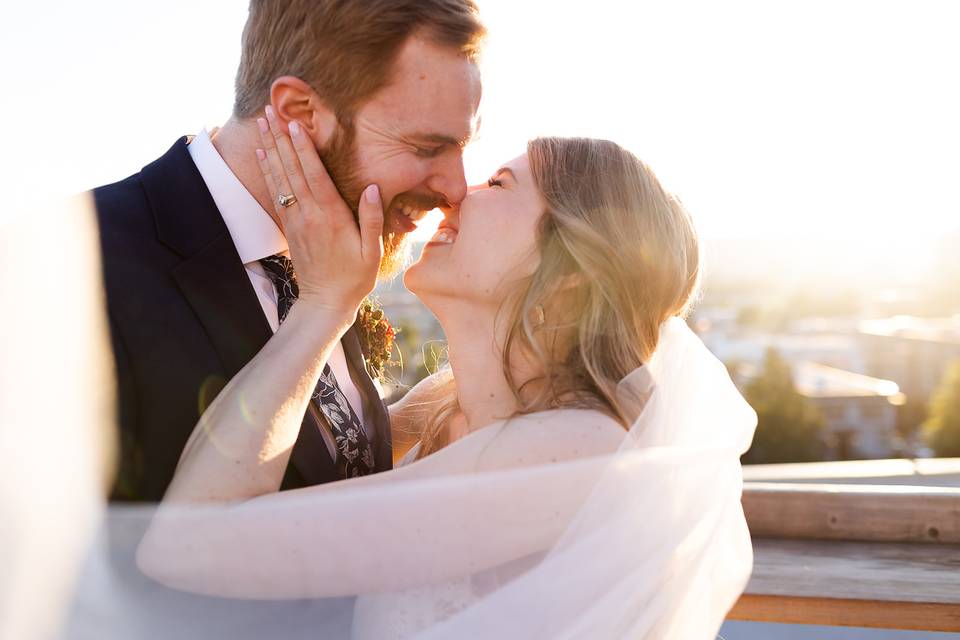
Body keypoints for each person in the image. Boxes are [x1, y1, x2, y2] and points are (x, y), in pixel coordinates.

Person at [133, 117, 758, 638]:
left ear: (566, 273)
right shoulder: (445, 409)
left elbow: (190, 546)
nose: (457, 195)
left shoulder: (573, 453)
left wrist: (324, 305)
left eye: (499, 182)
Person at [93, 0, 485, 501]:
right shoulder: (79, 267)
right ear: (299, 112)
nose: (457, 189)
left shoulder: (332, 253)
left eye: (463, 148)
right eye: (427, 148)